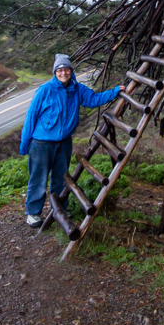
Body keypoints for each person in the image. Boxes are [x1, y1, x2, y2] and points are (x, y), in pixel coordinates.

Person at [20, 54, 126, 227]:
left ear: (71, 71)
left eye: (66, 69)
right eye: (60, 70)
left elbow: (93, 100)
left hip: (64, 142)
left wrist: (115, 91)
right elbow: (31, 117)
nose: (63, 72)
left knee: (61, 178)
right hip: (41, 143)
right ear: (55, 72)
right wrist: (25, 143)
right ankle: (33, 213)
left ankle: (59, 208)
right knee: (38, 179)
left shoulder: (77, 89)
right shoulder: (44, 90)